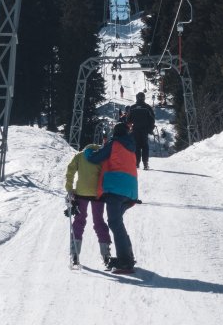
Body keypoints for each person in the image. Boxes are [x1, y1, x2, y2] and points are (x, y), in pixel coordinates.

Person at [83, 122, 138, 274]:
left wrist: (87, 152)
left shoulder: (114, 144)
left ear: (115, 133)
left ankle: (125, 262)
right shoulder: (131, 147)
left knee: (114, 223)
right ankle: (128, 255)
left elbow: (95, 158)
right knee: (118, 222)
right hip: (131, 191)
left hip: (116, 189)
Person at [64, 142, 112, 267]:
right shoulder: (102, 155)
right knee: (99, 221)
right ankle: (106, 253)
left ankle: (75, 252)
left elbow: (70, 170)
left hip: (82, 193)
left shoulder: (80, 156)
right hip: (98, 194)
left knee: (79, 220)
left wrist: (69, 188)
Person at [127, 92, 156, 170]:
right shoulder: (147, 107)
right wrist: (150, 129)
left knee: (137, 146)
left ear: (137, 98)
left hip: (135, 129)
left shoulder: (132, 107)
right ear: (143, 98)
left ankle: (137, 163)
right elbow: (152, 119)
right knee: (145, 146)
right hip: (144, 130)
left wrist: (130, 127)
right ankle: (145, 163)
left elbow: (128, 119)